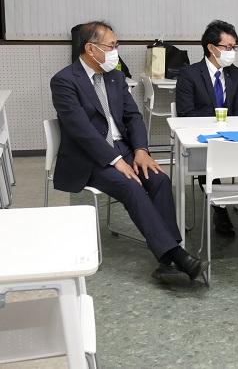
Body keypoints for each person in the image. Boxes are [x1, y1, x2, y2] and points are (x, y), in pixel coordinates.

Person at [50, 21, 208, 287]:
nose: (116, 51)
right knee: (131, 186)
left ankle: (168, 261)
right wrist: (115, 160)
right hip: (89, 157)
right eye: (111, 46)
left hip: (124, 149)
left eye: (116, 45)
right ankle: (178, 255)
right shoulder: (64, 81)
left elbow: (133, 117)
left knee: (159, 179)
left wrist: (141, 151)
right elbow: (81, 130)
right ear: (91, 48)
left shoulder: (115, 77)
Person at [176, 20, 238, 247]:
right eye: (227, 47)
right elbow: (186, 114)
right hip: (203, 139)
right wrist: (215, 125)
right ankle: (219, 208)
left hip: (232, 137)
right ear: (211, 47)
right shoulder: (189, 74)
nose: (232, 52)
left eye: (234, 47)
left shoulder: (235, 73)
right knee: (208, 161)